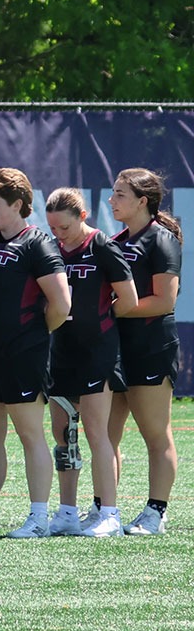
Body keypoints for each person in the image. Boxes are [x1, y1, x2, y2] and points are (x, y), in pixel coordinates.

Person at [0, 168, 70, 539]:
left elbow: (60, 303)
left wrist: (32, 335)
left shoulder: (36, 243)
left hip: (23, 353)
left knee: (29, 434)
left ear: (18, 205)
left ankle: (38, 516)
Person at [44, 188, 136, 537]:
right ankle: (67, 510)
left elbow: (128, 299)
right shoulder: (53, 249)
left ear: (82, 217)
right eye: (52, 228)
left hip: (97, 351)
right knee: (63, 433)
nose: (58, 235)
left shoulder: (103, 246)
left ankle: (109, 514)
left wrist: (96, 321)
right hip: (61, 351)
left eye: (64, 227)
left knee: (98, 434)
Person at [107, 167, 182, 535]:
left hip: (151, 347)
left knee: (155, 432)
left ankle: (156, 512)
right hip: (115, 350)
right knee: (106, 434)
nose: (112, 200)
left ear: (142, 201)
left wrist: (116, 307)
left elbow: (165, 301)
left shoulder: (161, 240)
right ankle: (106, 510)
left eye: (120, 194)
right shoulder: (115, 240)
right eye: (113, 192)